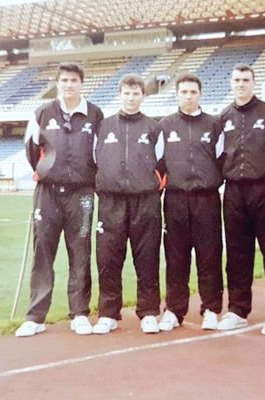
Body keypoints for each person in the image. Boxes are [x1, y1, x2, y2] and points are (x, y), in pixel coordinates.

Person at [16, 62, 104, 337]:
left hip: (83, 195)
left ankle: (79, 313)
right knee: (43, 251)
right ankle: (36, 316)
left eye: (74, 80)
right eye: (64, 80)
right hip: (48, 193)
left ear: (81, 83)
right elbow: (31, 148)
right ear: (57, 83)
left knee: (81, 251)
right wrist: (45, 173)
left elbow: (100, 152)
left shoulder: (95, 114)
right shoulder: (42, 112)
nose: (69, 85)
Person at [217, 63, 265, 335]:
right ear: (230, 82)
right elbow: (219, 157)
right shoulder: (222, 118)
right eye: (236, 79)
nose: (240, 84)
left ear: (253, 82)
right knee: (237, 254)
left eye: (245, 79)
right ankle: (238, 309)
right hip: (234, 192)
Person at [93, 74, 163, 334]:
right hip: (110, 202)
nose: (131, 98)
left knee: (147, 257)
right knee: (108, 257)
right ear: (119, 94)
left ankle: (148, 311)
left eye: (136, 94)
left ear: (142, 96)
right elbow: (93, 162)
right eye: (127, 93)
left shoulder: (154, 128)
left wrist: (148, 187)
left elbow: (163, 165)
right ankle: (109, 313)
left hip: (145, 202)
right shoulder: (103, 126)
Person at [158, 72, 224, 332]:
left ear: (200, 94)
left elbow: (222, 160)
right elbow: (158, 163)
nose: (188, 96)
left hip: (206, 200)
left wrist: (209, 180)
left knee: (209, 256)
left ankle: (211, 309)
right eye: (183, 92)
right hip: (174, 200)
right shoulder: (164, 125)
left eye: (193, 92)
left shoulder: (214, 124)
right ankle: (174, 310)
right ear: (177, 94)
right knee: (176, 258)